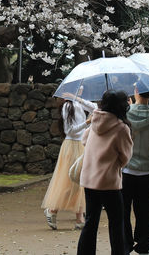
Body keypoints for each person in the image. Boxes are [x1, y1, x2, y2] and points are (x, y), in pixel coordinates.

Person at [77, 90, 133, 255]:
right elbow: (125, 156)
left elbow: (84, 140)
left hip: (89, 179)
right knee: (116, 223)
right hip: (109, 181)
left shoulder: (95, 120)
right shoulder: (121, 127)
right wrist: (115, 165)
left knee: (90, 221)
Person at [42, 90, 96, 230]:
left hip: (81, 145)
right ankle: (53, 210)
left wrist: (79, 99)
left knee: (81, 181)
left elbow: (95, 108)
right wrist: (87, 122)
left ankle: (79, 217)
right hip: (72, 145)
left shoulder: (78, 103)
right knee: (69, 181)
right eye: (79, 87)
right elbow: (70, 130)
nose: (82, 89)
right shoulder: (68, 106)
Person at [122, 84, 149, 255]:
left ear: (135, 92)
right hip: (148, 168)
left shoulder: (126, 114)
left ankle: (125, 243)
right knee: (145, 208)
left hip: (127, 167)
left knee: (124, 209)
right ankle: (144, 243)